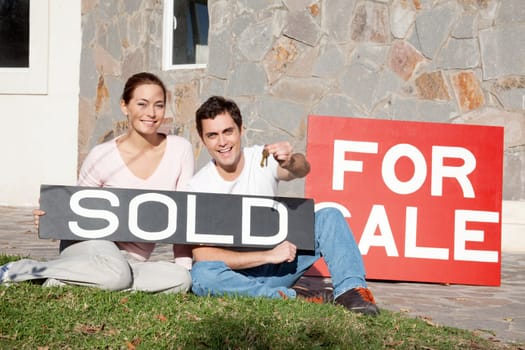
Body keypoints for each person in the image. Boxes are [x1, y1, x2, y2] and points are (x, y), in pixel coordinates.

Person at [0, 72, 193, 293]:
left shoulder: (180, 149)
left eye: (159, 105)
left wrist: (184, 267)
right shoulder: (102, 155)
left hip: (132, 261)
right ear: (125, 106)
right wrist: (53, 217)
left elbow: (182, 218)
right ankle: (21, 269)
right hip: (89, 246)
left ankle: (73, 280)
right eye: (142, 104)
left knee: (180, 280)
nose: (151, 113)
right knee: (116, 273)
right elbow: (75, 208)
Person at [187, 96, 380, 316]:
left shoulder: (262, 158)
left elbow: (301, 169)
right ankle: (292, 297)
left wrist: (290, 161)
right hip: (237, 274)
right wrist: (269, 255)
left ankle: (351, 292)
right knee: (202, 275)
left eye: (227, 131)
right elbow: (203, 254)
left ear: (241, 130)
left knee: (329, 216)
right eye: (212, 135)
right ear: (203, 140)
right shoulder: (198, 186)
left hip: (281, 265)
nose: (222, 142)